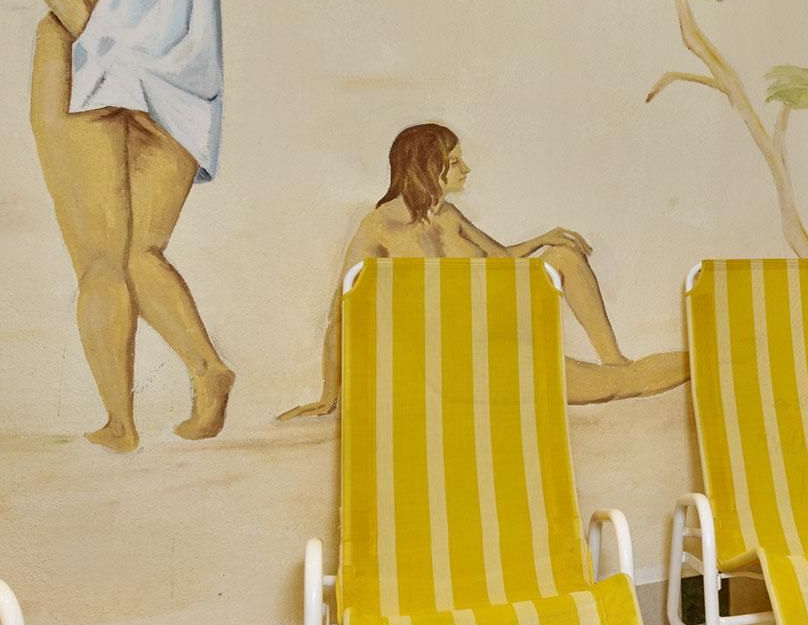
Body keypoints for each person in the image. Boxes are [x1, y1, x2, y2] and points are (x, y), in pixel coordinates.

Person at [1, 0, 255, 452]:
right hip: (174, 58)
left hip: (86, 46)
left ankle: (120, 422)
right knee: (142, 249)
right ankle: (207, 369)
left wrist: (90, 26)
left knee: (100, 259)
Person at [278, 124, 688, 417]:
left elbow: (502, 260)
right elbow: (342, 314)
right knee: (620, 387)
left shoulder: (448, 216)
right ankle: (688, 362)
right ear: (426, 167)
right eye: (454, 161)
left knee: (563, 256)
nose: (466, 169)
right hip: (454, 365)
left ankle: (615, 358)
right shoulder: (379, 227)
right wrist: (329, 395)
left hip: (494, 341)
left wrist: (544, 239)